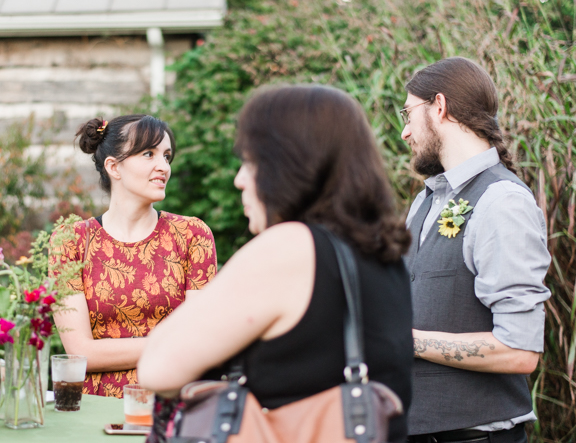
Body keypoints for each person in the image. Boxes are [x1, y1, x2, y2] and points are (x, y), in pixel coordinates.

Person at [137, 85, 414, 442]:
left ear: (287, 166)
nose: (239, 179)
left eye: (251, 162)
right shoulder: (382, 253)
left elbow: (157, 369)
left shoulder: (290, 246)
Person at [400, 57, 551, 443]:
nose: (404, 132)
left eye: (408, 113)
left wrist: (406, 340)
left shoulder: (502, 202)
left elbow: (520, 351)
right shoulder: (425, 202)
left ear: (439, 106)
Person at [49, 115, 218, 398]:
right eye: (148, 154)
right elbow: (79, 353)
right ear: (113, 167)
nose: (163, 166)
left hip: (170, 404)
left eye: (167, 156)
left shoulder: (192, 235)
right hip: (94, 411)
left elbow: (201, 339)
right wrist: (170, 342)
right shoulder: (71, 241)